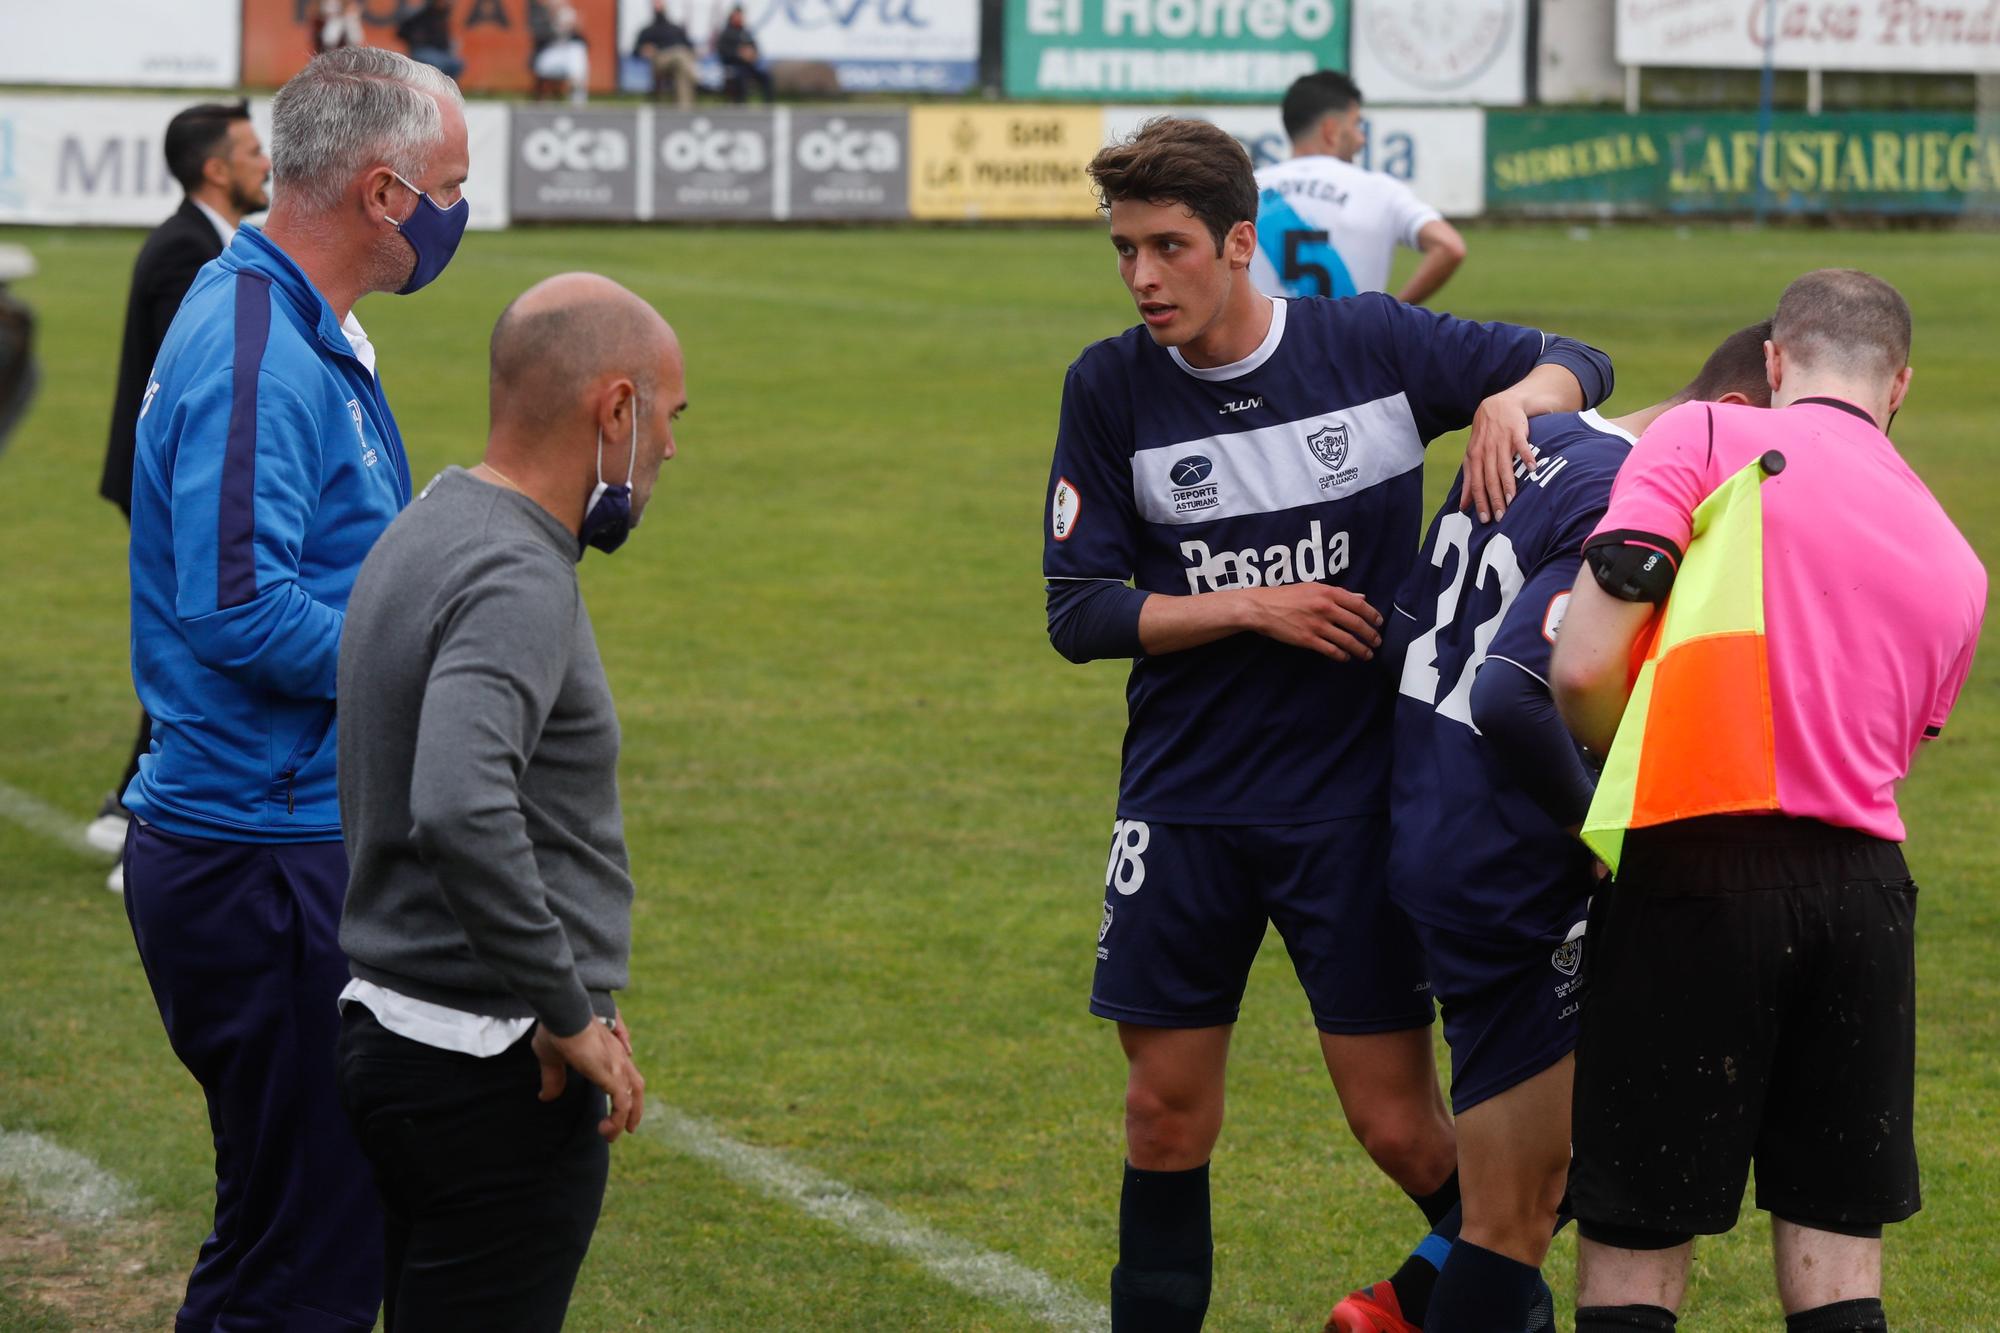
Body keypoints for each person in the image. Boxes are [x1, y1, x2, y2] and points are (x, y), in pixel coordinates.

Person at [1043, 116, 1612, 1333]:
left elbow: (1578, 356)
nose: (1142, 277)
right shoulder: (1106, 387)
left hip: (1348, 803)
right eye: (1125, 250)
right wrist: (1248, 605)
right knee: (1161, 1115)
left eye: (1169, 247)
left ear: (1239, 244)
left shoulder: (1365, 342)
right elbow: (1079, 610)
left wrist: (1520, 397)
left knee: (1398, 1126)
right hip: (1182, 801)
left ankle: (1471, 1291)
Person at [1549, 270, 1986, 1333]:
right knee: (1837, 1254)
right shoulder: (1954, 556)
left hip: (1695, 870)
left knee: (1637, 1243)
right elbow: (1882, 753)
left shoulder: (1701, 434)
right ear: (1899, 388)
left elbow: (1576, 669)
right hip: (1861, 899)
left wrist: (1628, 760)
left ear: (1776, 363)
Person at [1329, 323, 1776, 1333]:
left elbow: (1407, 631)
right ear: (1737, 419)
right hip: (1507, 865)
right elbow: (1517, 692)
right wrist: (1606, 838)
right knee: (1517, 1211)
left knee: (1522, 1183)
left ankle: (1401, 1303)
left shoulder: (1535, 438)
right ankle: (1417, 1307)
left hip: (1433, 825)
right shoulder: (1627, 498)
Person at [120, 46, 470, 1332]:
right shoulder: (258, 342)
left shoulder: (291, 319)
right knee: (298, 1265)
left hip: (291, 836)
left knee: (318, 1227)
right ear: (384, 194)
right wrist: (436, 658)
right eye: (449, 186)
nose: (457, 215)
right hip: (258, 853)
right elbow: (236, 607)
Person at [335, 271, 678, 1328]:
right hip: (487, 1066)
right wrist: (565, 1010)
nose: (669, 448)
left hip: (391, 1029)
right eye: (668, 417)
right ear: (613, 409)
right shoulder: (516, 572)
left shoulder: (430, 519)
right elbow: (457, 801)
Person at [90, 100, 271, 892]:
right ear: (215, 169)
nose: (267, 161)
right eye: (253, 150)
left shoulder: (209, 242)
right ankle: (144, 820)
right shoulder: (183, 253)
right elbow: (192, 390)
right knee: (192, 646)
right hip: (173, 487)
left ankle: (131, 809)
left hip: (176, 484)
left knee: (191, 641)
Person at [1252, 71, 1467, 306]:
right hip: (1353, 341)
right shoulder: (1380, 191)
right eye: (1356, 125)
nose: (1361, 139)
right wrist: (1392, 313)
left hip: (1268, 341)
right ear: (1331, 131)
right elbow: (1450, 246)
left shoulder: (1248, 189)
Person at [635, 0, 699, 108]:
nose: (658, 6)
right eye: (656, 3)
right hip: (660, 60)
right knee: (680, 54)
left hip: (680, 61)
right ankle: (696, 77)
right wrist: (644, 49)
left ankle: (684, 111)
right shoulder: (647, 30)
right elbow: (636, 50)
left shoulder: (676, 28)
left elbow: (690, 46)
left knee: (681, 71)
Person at [531, 1, 591, 105]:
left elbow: (585, 43)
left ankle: (577, 95)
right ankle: (542, 99)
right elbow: (539, 38)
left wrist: (574, 29)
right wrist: (554, 24)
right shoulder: (542, 15)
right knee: (573, 54)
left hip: (567, 57)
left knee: (577, 51)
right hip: (549, 54)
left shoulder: (568, 16)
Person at [715, 5, 773, 103]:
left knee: (766, 76)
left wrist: (752, 54)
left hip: (749, 65)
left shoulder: (745, 32)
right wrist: (739, 54)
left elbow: (755, 47)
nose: (740, 18)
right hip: (734, 65)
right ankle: (741, 105)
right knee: (741, 78)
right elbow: (723, 51)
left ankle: (768, 104)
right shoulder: (726, 33)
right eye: (737, 16)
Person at [397, 0, 464, 80]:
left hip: (441, 53)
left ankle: (446, 88)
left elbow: (445, 41)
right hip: (423, 51)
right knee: (434, 63)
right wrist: (415, 39)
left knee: (456, 64)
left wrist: (450, 45)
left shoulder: (441, 16)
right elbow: (401, 32)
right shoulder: (419, 16)